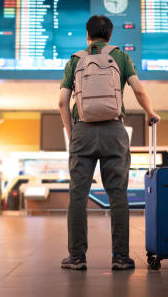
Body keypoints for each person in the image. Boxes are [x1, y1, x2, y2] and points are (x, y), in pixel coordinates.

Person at [58, 15, 160, 271]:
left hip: (82, 130)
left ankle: (77, 257)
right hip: (115, 130)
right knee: (117, 194)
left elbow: (61, 102)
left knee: (78, 194)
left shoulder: (75, 60)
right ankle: (120, 257)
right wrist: (150, 112)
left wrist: (72, 133)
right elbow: (138, 90)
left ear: (88, 34)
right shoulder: (121, 57)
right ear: (110, 35)